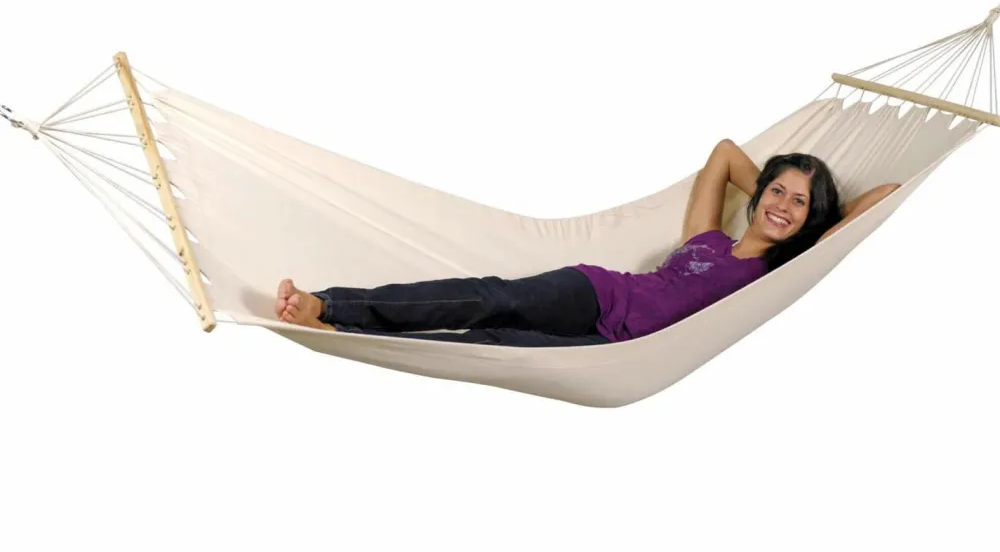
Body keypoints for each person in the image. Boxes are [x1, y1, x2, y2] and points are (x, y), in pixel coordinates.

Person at [273, 139, 901, 346]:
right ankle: (330, 306)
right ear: (758, 191)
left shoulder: (777, 272)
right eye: (776, 191)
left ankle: (340, 332)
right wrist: (776, 190)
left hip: (613, 350)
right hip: (595, 293)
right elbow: (724, 154)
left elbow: (885, 192)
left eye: (798, 201)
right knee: (488, 298)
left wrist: (811, 219)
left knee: (491, 345)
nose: (782, 205)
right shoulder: (707, 239)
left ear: (813, 219)